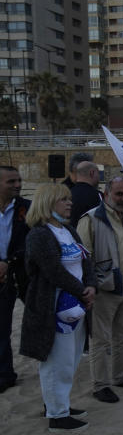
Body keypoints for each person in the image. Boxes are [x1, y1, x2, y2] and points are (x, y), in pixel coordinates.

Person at [20, 184, 95, 431]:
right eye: (63, 199)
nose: (69, 203)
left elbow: (86, 260)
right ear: (48, 203)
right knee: (56, 361)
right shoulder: (40, 234)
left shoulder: (69, 230)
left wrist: (90, 285)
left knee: (71, 358)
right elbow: (52, 270)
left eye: (69, 199)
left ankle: (58, 403)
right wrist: (81, 290)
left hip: (76, 304)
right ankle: (56, 415)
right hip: (52, 306)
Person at [76, 177, 123, 403]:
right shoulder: (91, 219)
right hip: (103, 289)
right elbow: (83, 257)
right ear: (107, 193)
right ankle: (100, 385)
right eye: (119, 194)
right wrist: (91, 286)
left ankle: (122, 375)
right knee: (100, 340)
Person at [0, 166, 30, 393]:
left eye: (18, 180)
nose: (17, 185)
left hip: (22, 274)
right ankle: (5, 374)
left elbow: (31, 241)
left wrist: (10, 261)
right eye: (11, 181)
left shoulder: (27, 209)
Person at [69, 161, 101, 227]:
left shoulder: (67, 194)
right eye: (98, 173)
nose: (99, 177)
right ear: (92, 173)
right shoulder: (97, 195)